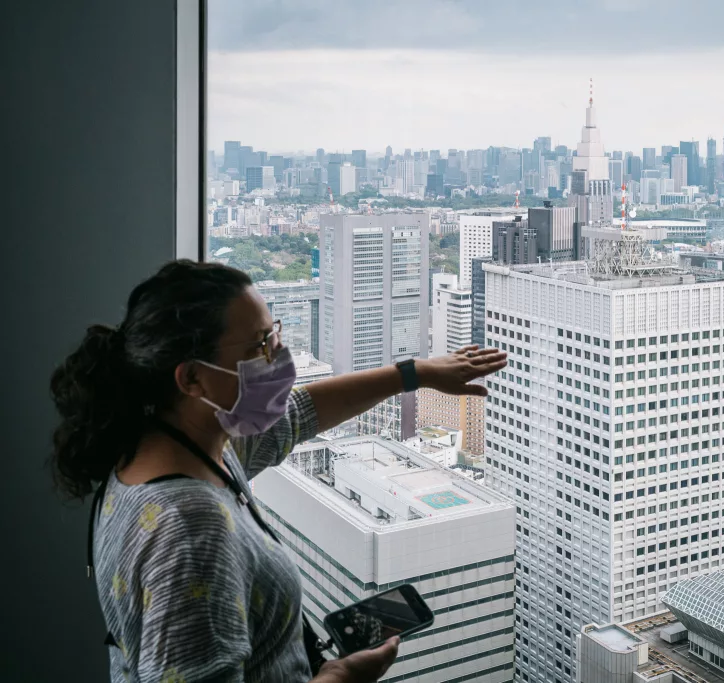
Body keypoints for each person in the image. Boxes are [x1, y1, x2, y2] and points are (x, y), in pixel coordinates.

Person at [49, 260, 506, 683]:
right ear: (191, 378)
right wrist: (338, 678)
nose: (279, 355)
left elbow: (299, 414)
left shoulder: (181, 445)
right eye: (260, 345)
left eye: (274, 334)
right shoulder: (190, 531)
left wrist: (414, 374)